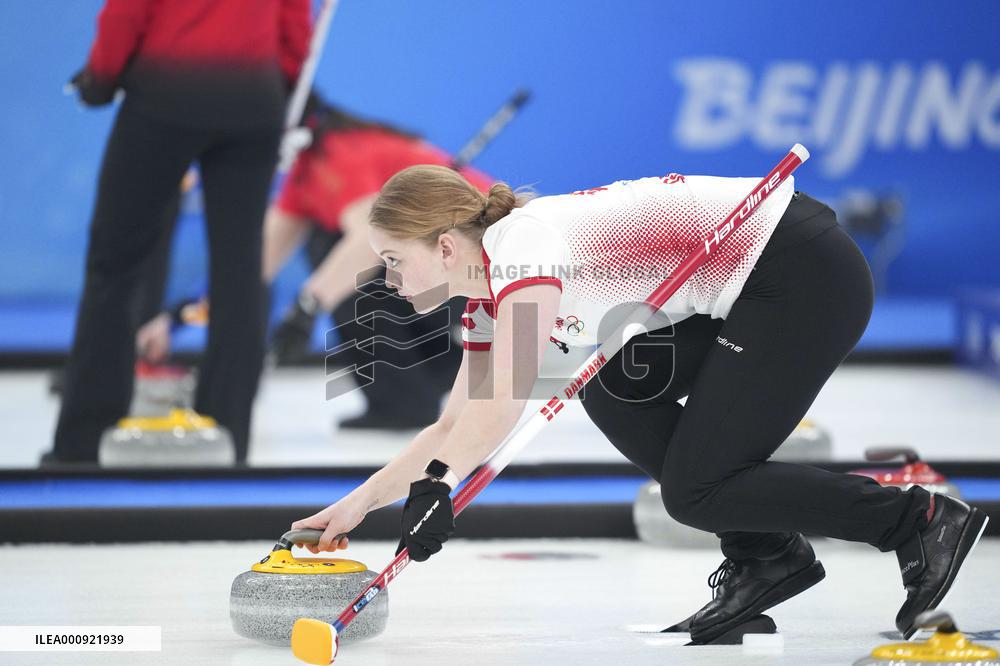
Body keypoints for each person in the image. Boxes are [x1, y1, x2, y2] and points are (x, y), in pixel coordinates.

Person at [289, 164, 987, 641]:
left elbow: (499, 404)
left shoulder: (523, 248)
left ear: (445, 247)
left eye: (391, 260)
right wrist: (360, 503)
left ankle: (915, 520)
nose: (384, 278)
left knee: (697, 490)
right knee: (614, 380)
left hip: (801, 276)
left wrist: (440, 486)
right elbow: (455, 423)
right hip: (743, 295)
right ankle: (766, 556)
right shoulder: (488, 302)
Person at [46, 0, 311, 465]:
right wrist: (275, 82)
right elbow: (294, 23)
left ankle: (82, 443)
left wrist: (101, 77)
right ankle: (231, 437)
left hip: (165, 95)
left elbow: (125, 13)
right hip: (254, 98)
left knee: (115, 264)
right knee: (241, 269)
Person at [137, 96, 495, 430]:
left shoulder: (340, 157)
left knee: (341, 266)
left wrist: (307, 307)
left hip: (486, 267)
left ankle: (407, 400)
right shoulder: (307, 176)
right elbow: (251, 268)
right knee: (338, 264)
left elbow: (366, 248)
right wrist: (175, 319)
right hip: (453, 265)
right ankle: (430, 379)